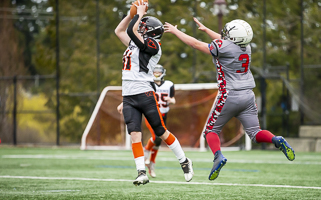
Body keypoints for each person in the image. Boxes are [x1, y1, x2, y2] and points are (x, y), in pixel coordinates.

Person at [164, 17, 295, 181]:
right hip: (248, 95)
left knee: (211, 131)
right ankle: (276, 139)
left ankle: (218, 156)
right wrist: (206, 30)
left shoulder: (222, 46)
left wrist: (176, 31)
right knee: (255, 133)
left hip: (229, 95)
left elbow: (196, 44)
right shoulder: (247, 47)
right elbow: (226, 42)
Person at [114, 0, 193, 186]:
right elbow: (119, 31)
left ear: (150, 32)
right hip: (129, 96)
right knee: (134, 134)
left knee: (160, 131)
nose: (140, 27)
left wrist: (139, 13)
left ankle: (184, 161)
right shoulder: (135, 44)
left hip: (145, 94)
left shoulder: (153, 46)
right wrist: (130, 14)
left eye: (143, 26)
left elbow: (132, 31)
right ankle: (141, 172)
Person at [118, 64, 176, 178]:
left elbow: (173, 98)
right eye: (155, 71)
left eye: (158, 72)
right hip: (151, 114)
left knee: (158, 141)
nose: (156, 74)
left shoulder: (169, 85)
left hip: (163, 114)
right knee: (156, 137)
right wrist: (123, 103)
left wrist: (171, 100)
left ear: (163, 73)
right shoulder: (147, 83)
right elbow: (134, 95)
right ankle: (146, 156)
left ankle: (151, 163)